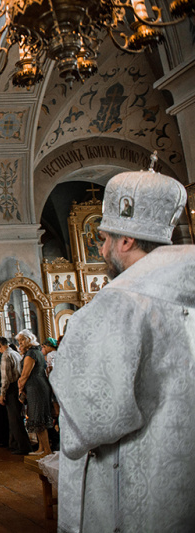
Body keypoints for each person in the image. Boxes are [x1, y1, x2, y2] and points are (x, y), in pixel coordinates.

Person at [50, 167, 194, 533]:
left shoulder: (119, 304)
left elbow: (92, 421)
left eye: (102, 239)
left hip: (131, 488)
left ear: (125, 241)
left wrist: (61, 368)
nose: (100, 249)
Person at [16, 329, 53, 456]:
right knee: (37, 417)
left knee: (38, 418)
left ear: (27, 340)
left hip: (35, 386)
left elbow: (25, 374)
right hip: (39, 384)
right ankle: (41, 448)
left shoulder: (31, 354)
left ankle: (47, 450)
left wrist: (20, 388)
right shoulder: (37, 351)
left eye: (21, 340)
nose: (20, 343)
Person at [0, 337, 31, 455]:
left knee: (14, 419)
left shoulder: (6, 356)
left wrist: (2, 394)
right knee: (17, 417)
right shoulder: (15, 353)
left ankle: (23, 446)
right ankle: (15, 443)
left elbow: (5, 378)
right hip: (17, 386)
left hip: (11, 388)